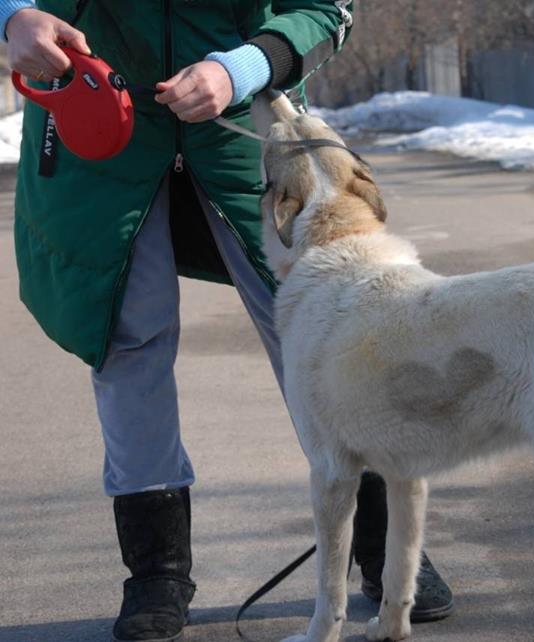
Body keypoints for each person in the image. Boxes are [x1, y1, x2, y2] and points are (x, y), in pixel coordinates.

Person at [1, 1, 453, 640]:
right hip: (91, 120)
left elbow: (327, 6)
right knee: (129, 337)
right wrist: (13, 15)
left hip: (248, 129)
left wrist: (245, 66)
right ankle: (156, 570)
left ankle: (384, 547)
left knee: (327, 335)